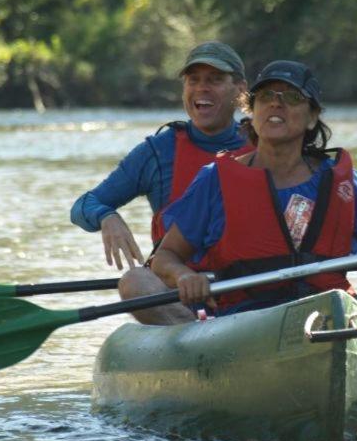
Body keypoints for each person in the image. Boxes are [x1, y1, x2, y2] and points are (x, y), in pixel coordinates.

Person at [149, 60, 357, 319]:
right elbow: (164, 257)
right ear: (252, 110)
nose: (276, 104)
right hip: (243, 318)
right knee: (136, 281)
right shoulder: (215, 180)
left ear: (312, 118)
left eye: (292, 98)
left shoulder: (341, 183)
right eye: (266, 97)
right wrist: (183, 276)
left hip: (326, 311)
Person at [70, 41, 253, 323]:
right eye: (194, 80)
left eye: (215, 80)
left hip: (250, 286)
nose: (202, 88)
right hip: (178, 293)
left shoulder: (265, 144)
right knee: (134, 281)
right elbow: (85, 204)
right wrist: (107, 216)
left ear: (240, 90)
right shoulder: (159, 151)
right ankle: (194, 334)